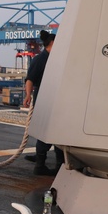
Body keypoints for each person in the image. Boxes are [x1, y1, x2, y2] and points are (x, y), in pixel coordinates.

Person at [23, 30, 64, 176]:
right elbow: (30, 79)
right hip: (46, 100)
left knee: (54, 131)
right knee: (49, 131)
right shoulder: (41, 59)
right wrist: (28, 95)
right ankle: (41, 165)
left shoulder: (53, 58)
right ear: (52, 43)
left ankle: (56, 164)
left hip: (52, 98)